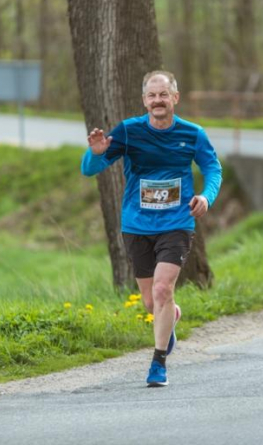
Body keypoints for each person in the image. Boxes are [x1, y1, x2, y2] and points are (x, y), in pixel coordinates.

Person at [81, 70, 222, 387]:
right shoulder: (129, 131)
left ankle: (158, 363)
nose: (158, 101)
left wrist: (205, 196)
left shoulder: (193, 133)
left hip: (177, 222)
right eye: (152, 95)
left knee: (162, 290)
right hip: (137, 224)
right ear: (144, 100)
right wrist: (96, 153)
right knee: (150, 302)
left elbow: (213, 168)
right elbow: (90, 169)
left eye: (164, 94)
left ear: (175, 98)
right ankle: (168, 317)